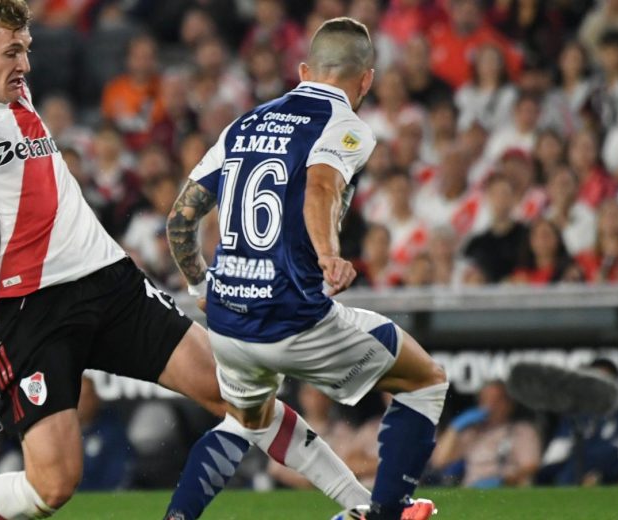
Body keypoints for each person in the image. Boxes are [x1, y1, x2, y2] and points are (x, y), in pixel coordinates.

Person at [0, 1, 251, 518]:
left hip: (108, 281)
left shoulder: (19, 93)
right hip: (34, 307)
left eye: (27, 50)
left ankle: (364, 504)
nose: (27, 65)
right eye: (12, 51)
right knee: (54, 486)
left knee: (232, 389)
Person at [165, 18, 446, 520]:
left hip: (226, 318)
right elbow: (321, 186)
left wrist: (197, 283)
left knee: (252, 421)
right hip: (292, 317)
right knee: (424, 381)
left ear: (303, 71)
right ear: (367, 80)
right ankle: (387, 511)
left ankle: (179, 517)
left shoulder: (244, 123)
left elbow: (181, 218)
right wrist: (328, 253)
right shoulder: (346, 125)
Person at [430, 381, 541, 488]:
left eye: (497, 401)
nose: (491, 406)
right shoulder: (473, 432)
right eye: (486, 400)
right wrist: (454, 428)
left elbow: (531, 466)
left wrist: (504, 481)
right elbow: (439, 461)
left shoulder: (522, 430)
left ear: (509, 404)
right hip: (473, 489)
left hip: (508, 489)